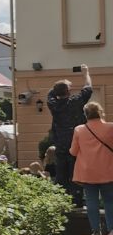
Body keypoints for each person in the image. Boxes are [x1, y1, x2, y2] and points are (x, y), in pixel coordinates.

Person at [47, 66, 92, 199]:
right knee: (76, 173)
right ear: (68, 90)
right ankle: (77, 199)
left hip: (60, 144)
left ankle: (62, 200)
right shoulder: (76, 101)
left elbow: (51, 92)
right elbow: (88, 86)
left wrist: (61, 85)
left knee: (61, 173)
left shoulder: (53, 104)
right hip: (76, 145)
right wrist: (86, 73)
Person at [70, 101, 113, 235]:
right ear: (100, 112)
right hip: (108, 170)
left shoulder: (79, 130)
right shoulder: (110, 127)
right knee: (109, 201)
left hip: (87, 173)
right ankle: (111, 230)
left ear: (86, 114)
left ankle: (95, 231)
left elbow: (73, 152)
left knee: (91, 201)